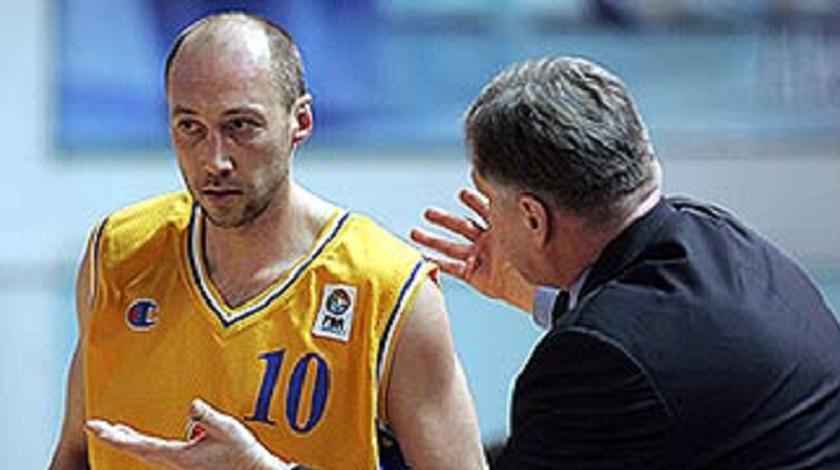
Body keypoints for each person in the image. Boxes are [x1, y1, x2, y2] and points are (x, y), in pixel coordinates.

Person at [49, 12, 485, 470]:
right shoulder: (117, 253)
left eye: (240, 125)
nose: (214, 160)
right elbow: (76, 451)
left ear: (301, 121)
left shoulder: (388, 288)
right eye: (190, 127)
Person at [412, 56, 840, 468]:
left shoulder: (597, 357)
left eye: (489, 199)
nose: (488, 219)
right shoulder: (720, 235)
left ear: (533, 218)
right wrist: (541, 296)